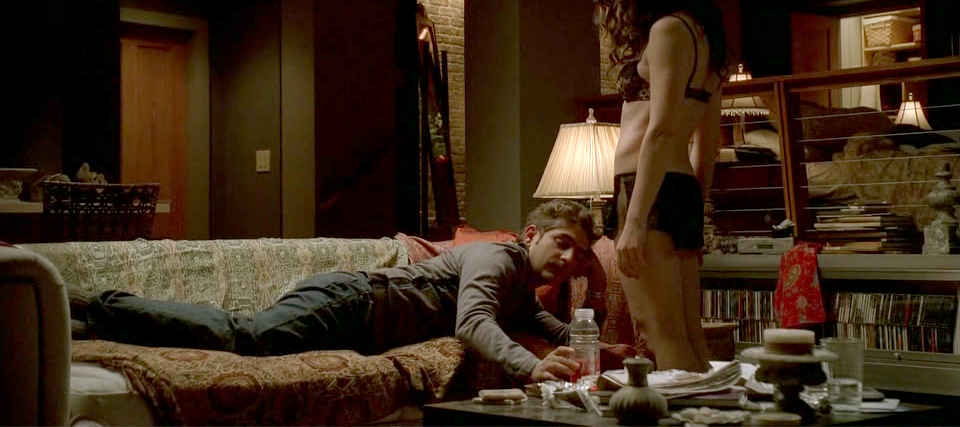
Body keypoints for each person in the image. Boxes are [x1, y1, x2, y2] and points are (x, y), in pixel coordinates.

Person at [72, 199, 634, 382]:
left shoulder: (521, 290)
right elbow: (473, 324)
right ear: (531, 235)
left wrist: (601, 348)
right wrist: (532, 368)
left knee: (241, 331)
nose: (569, 259)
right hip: (351, 302)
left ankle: (93, 320)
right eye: (562, 243)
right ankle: (95, 304)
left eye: (581, 253)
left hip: (357, 319)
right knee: (245, 338)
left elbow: (548, 327)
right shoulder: (496, 258)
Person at [589, 0, 730, 373]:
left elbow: (662, 130)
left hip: (646, 189)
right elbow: (707, 139)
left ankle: (686, 411)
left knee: (659, 331)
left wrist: (633, 221)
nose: (618, 7)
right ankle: (706, 409)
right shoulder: (703, 37)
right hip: (679, 187)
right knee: (688, 335)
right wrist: (697, 209)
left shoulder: (668, 30)